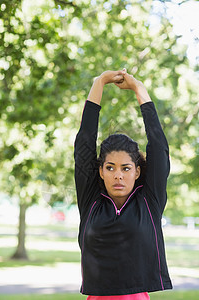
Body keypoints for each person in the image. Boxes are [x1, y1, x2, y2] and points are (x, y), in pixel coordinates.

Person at [74, 68, 173, 300]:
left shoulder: (150, 201)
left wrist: (140, 90)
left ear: (137, 172)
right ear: (100, 171)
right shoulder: (91, 202)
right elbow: (84, 144)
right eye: (110, 168)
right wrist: (99, 82)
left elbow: (158, 148)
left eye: (125, 168)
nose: (118, 175)